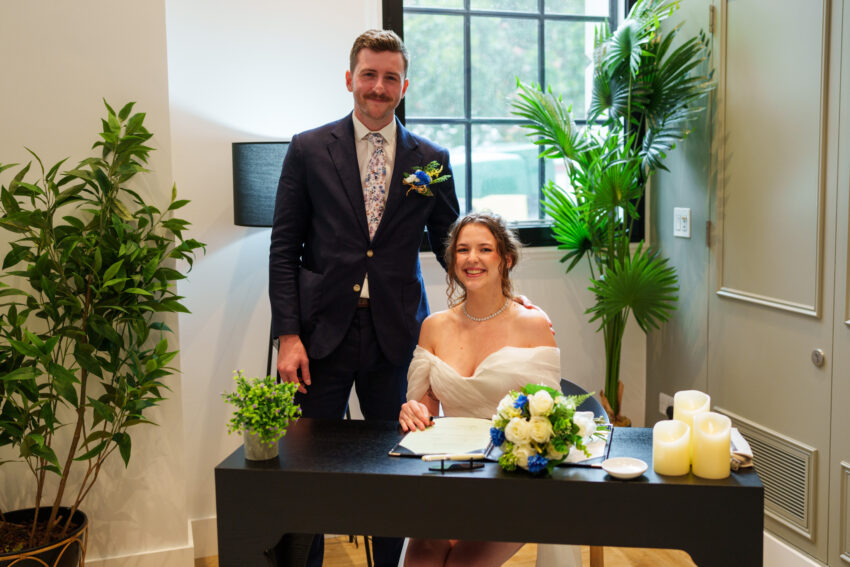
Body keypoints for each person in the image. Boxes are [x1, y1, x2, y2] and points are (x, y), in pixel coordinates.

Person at [268, 29, 459, 567]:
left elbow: (452, 247)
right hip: (317, 338)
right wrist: (288, 336)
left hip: (396, 338)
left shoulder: (432, 159)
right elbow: (284, 249)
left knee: (395, 468)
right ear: (350, 79)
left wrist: (491, 305)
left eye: (391, 77)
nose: (379, 87)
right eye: (369, 75)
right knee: (305, 470)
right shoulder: (308, 148)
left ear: (405, 85)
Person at [398, 212, 580, 567]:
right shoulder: (433, 328)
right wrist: (412, 411)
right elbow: (424, 412)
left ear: (506, 259)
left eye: (485, 249)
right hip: (451, 474)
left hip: (513, 481)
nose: (472, 258)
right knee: (421, 559)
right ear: (452, 262)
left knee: (463, 564)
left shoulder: (533, 325)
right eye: (463, 250)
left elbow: (550, 415)